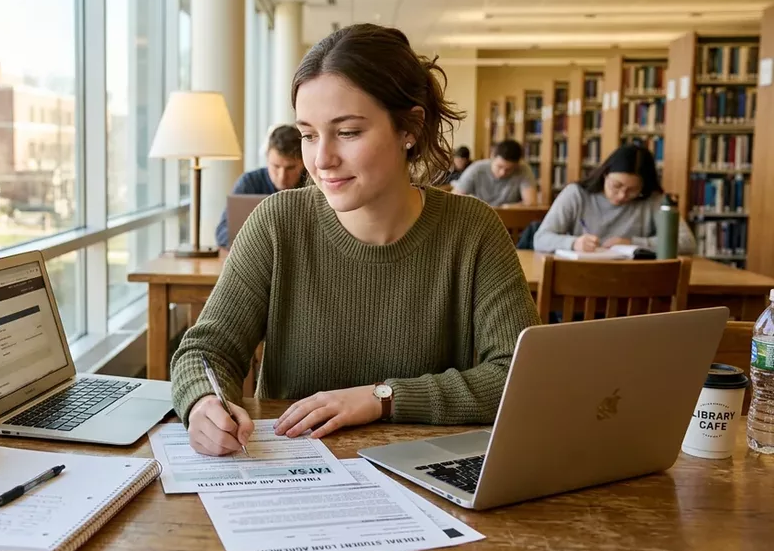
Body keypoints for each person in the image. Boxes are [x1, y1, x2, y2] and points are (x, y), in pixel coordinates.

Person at [170, 23, 539, 457]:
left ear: (410, 128)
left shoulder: (473, 229)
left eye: (347, 132)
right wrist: (202, 403)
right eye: (308, 135)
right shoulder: (277, 222)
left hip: (427, 477)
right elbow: (206, 350)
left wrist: (382, 398)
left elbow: (521, 376)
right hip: (293, 472)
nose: (322, 159)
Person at [534, 143, 696, 254]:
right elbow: (541, 238)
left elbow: (687, 242)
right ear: (605, 174)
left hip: (634, 285)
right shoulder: (577, 194)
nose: (622, 196)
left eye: (632, 190)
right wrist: (574, 243)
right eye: (616, 186)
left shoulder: (653, 200)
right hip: (582, 278)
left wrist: (634, 243)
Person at [214, 124, 307, 248]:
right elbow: (223, 233)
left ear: (303, 163)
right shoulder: (250, 182)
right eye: (276, 166)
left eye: (290, 168)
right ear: (267, 158)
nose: (282, 177)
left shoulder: (314, 184)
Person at [451, 139, 537, 206]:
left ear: (517, 164)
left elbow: (531, 202)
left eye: (509, 169)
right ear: (492, 157)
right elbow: (454, 198)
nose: (503, 172)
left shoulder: (523, 169)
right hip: (479, 218)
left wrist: (507, 208)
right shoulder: (476, 169)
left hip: (509, 220)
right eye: (499, 166)